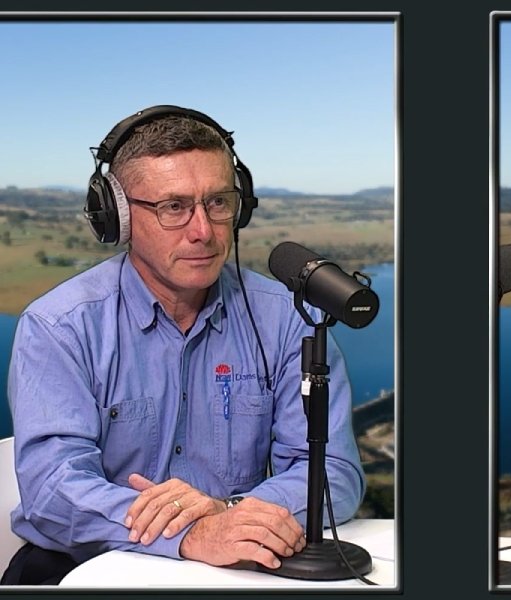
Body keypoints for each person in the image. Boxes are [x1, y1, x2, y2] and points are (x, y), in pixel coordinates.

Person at [2, 106, 365, 585]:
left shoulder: (288, 318)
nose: (203, 230)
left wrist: (228, 514)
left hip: (236, 562)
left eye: (218, 202)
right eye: (173, 207)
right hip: (80, 564)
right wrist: (190, 532)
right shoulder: (59, 326)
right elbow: (52, 490)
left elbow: (334, 472)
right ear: (120, 216)